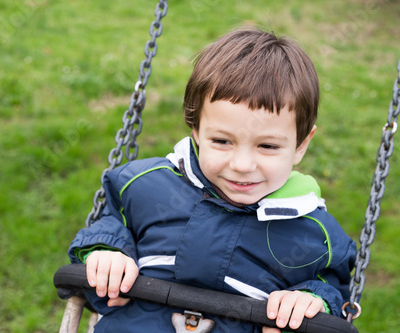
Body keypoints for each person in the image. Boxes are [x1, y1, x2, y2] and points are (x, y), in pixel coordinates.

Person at [68, 27, 357, 333]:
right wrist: (105, 253)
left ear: (301, 144)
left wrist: (312, 302)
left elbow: (334, 292)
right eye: (222, 141)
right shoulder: (146, 186)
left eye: (268, 146)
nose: (243, 165)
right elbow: (111, 223)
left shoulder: (315, 235)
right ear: (196, 130)